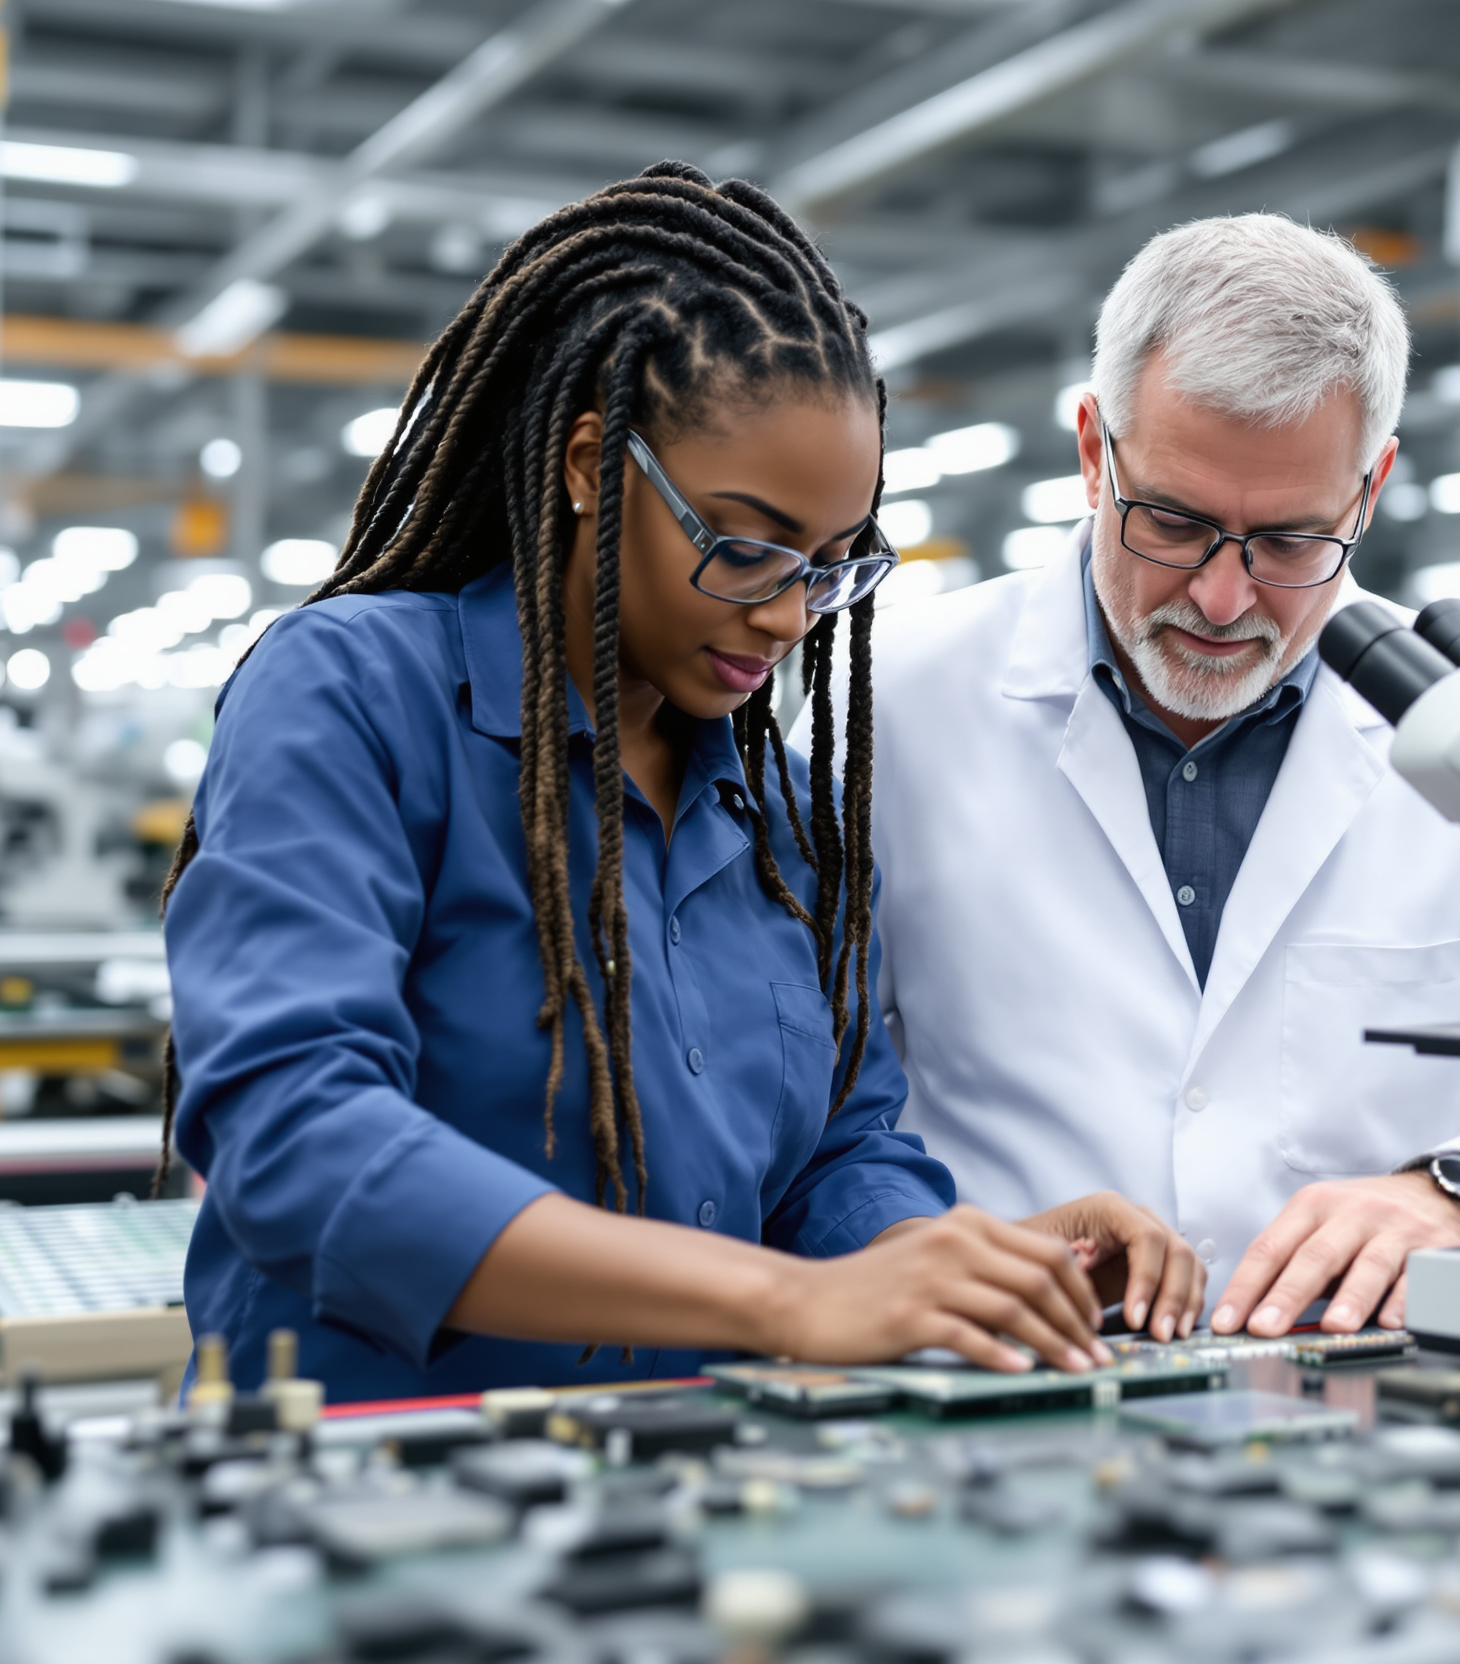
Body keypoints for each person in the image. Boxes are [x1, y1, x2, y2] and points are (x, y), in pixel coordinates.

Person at [159, 165, 1204, 1404]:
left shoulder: (789, 819)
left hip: (681, 1474)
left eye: (831, 566)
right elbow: (296, 1137)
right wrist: (784, 1302)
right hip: (362, 1464)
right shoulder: (356, 694)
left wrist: (954, 1261)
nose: (788, 614)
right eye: (745, 546)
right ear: (591, 463)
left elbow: (835, 1154)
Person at [863, 214, 1460, 1344]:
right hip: (1009, 1379)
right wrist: (919, 1246)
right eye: (1174, 523)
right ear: (1094, 452)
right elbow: (814, 1111)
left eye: (1290, 542)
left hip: (1379, 1395)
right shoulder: (895, 701)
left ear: (1370, 490)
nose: (1223, 599)